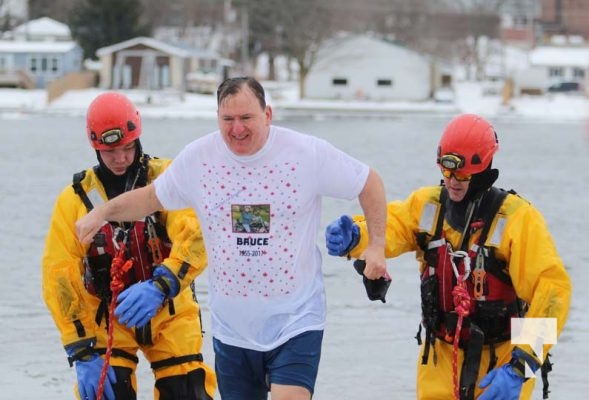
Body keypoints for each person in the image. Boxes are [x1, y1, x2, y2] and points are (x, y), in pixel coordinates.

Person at [75, 77, 388, 400]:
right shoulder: (199, 159)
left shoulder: (305, 154)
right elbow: (152, 198)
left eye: (246, 118)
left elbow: (368, 182)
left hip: (295, 320)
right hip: (232, 330)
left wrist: (376, 245)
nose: (237, 129)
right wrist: (102, 213)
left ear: (267, 114)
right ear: (218, 118)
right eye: (228, 120)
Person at [325, 113, 571, 400]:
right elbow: (394, 226)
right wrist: (358, 236)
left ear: (483, 171)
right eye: (446, 170)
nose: (453, 181)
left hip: (501, 361)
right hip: (439, 356)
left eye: (463, 174)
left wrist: (522, 365)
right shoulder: (427, 205)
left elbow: (553, 290)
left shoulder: (517, 219)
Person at [42, 92, 216, 400]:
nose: (121, 158)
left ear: (138, 140)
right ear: (95, 146)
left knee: (188, 391)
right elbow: (60, 275)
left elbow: (198, 234)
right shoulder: (75, 201)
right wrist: (81, 349)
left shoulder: (167, 180)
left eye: (127, 148)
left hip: (169, 310)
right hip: (108, 320)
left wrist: (163, 284)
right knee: (103, 394)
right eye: (111, 151)